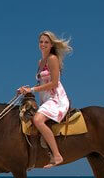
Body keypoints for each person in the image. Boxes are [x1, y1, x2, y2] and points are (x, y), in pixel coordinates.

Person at [17, 31, 72, 168]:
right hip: (46, 99)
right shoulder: (40, 61)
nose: (43, 44)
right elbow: (41, 83)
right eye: (41, 42)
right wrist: (26, 89)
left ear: (52, 44)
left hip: (56, 98)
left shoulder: (52, 59)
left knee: (37, 120)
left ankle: (57, 156)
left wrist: (33, 90)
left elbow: (54, 83)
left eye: (46, 42)